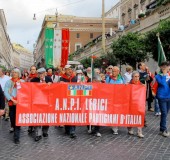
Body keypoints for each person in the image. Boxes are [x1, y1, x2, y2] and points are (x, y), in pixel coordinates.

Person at [31, 67, 52, 141]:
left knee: (46, 118)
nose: (41, 75)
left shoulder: (49, 79)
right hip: (37, 102)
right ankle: (38, 134)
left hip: (47, 102)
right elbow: (30, 90)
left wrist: (50, 85)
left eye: (42, 73)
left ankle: (45, 131)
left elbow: (53, 90)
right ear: (38, 74)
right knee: (37, 118)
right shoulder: (33, 80)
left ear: (45, 73)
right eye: (39, 74)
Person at [4, 68, 24, 144]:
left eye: (15, 72)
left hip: (20, 104)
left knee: (17, 120)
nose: (14, 73)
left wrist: (19, 100)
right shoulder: (8, 82)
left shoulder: (22, 82)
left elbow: (25, 91)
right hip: (12, 103)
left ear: (18, 74)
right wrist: (12, 100)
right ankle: (13, 126)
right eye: (13, 72)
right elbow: (6, 92)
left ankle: (16, 137)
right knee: (12, 118)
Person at [60, 65, 77, 138]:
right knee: (67, 114)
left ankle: (72, 131)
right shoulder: (62, 78)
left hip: (73, 99)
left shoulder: (75, 78)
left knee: (73, 114)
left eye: (71, 69)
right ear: (65, 70)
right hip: (65, 99)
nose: (70, 71)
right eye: (68, 70)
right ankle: (67, 129)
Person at [106, 66, 124, 135]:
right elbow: (105, 87)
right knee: (112, 112)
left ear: (118, 72)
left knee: (117, 112)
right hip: (111, 98)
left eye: (115, 71)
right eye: (113, 71)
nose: (113, 72)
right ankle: (114, 127)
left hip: (119, 98)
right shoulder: (109, 78)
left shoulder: (121, 79)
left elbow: (125, 87)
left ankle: (116, 125)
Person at [155, 62, 170, 137]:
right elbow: (162, 83)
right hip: (161, 97)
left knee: (165, 113)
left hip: (169, 97)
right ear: (161, 67)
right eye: (163, 66)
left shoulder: (169, 76)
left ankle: (161, 129)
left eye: (167, 66)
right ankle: (164, 129)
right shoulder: (158, 76)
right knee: (164, 113)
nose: (165, 68)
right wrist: (164, 74)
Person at [127, 71, 144, 138]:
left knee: (139, 116)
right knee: (130, 116)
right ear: (132, 77)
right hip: (131, 102)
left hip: (138, 103)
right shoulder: (129, 84)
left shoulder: (141, 85)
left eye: (138, 76)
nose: (137, 78)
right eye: (135, 76)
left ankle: (139, 131)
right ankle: (130, 128)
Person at [27, 65, 38, 134]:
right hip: (30, 97)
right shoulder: (28, 78)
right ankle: (30, 126)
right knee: (30, 112)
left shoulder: (38, 77)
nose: (33, 70)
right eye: (32, 69)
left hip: (37, 97)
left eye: (34, 69)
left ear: (36, 70)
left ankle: (34, 126)